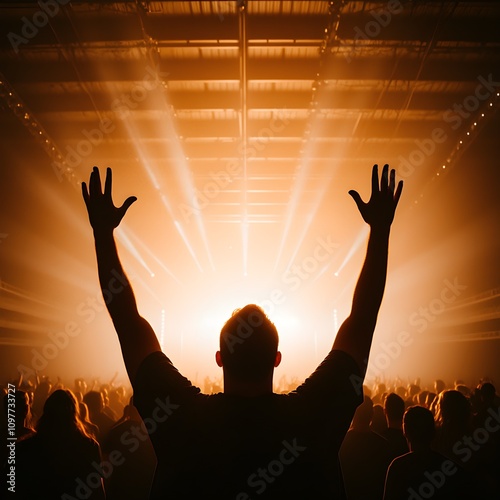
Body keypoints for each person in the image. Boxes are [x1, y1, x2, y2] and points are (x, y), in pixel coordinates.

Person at [82, 164, 403, 498]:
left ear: (220, 358)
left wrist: (103, 233)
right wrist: (380, 230)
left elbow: (127, 321)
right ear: (277, 358)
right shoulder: (311, 416)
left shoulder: (182, 416)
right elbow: (363, 318)